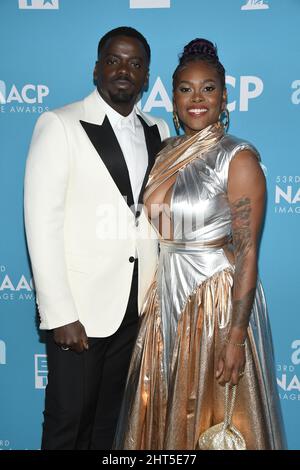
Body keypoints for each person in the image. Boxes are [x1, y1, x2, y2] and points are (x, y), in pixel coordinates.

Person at [113, 38, 286, 450]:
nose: (196, 99)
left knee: (210, 413)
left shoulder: (237, 158)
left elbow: (246, 254)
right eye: (186, 89)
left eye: (208, 88)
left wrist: (237, 336)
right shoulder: (166, 152)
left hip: (215, 303)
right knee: (166, 409)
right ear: (172, 98)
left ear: (224, 96)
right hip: (165, 296)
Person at [24, 26, 169, 450]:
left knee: (110, 424)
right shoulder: (60, 124)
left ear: (146, 76)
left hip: (136, 307)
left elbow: (155, 218)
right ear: (96, 69)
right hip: (80, 312)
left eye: (136, 63)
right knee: (68, 423)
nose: (124, 69)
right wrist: (58, 312)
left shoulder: (159, 129)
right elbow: (41, 221)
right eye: (114, 60)